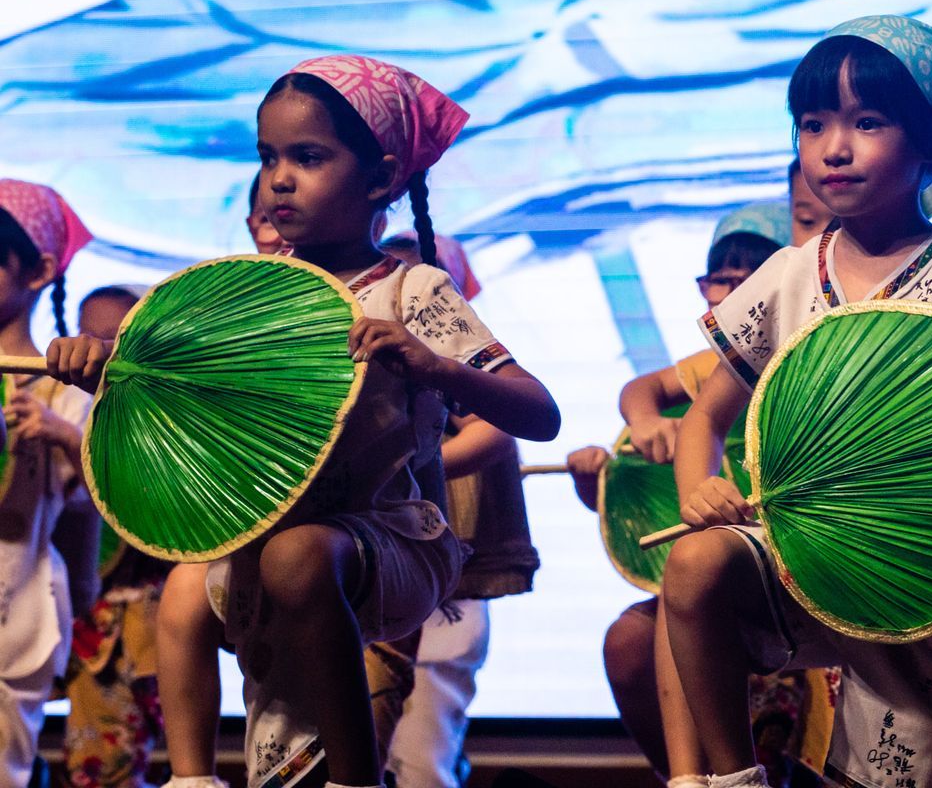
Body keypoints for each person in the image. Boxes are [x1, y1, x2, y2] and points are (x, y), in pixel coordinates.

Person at [50, 55, 561, 788]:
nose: (278, 178)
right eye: (268, 157)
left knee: (296, 556)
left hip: (392, 537)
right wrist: (106, 360)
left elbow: (538, 411)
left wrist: (434, 365)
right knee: (193, 584)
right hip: (275, 540)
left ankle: (358, 780)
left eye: (308, 157)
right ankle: (192, 777)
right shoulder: (251, 300)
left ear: (382, 178)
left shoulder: (412, 290)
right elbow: (182, 391)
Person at [655, 15, 932, 788]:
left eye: (867, 121)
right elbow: (705, 415)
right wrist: (703, 490)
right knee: (693, 565)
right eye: (813, 123)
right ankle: (732, 780)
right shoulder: (788, 276)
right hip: (801, 555)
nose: (834, 145)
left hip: (925, 579)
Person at [570, 202, 827, 787]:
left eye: (749, 277)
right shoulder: (711, 365)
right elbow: (643, 389)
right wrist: (640, 427)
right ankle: (686, 778)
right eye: (720, 275)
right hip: (725, 563)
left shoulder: (802, 355)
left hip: (804, 570)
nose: (732, 288)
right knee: (645, 622)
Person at [374, 234, 542, 788]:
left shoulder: (454, 352)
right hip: (376, 551)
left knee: (424, 736)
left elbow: (497, 430)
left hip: (448, 564)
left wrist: (417, 467)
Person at [0, 181, 98, 788]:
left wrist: (61, 433)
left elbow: (110, 490)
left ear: (37, 270)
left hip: (18, 600)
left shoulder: (61, 388)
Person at [61, 285, 174, 788]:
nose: (97, 350)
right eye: (88, 337)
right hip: (93, 611)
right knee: (95, 759)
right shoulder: (65, 398)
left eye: (113, 339)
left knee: (144, 748)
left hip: (153, 613)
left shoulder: (163, 409)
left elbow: (145, 495)